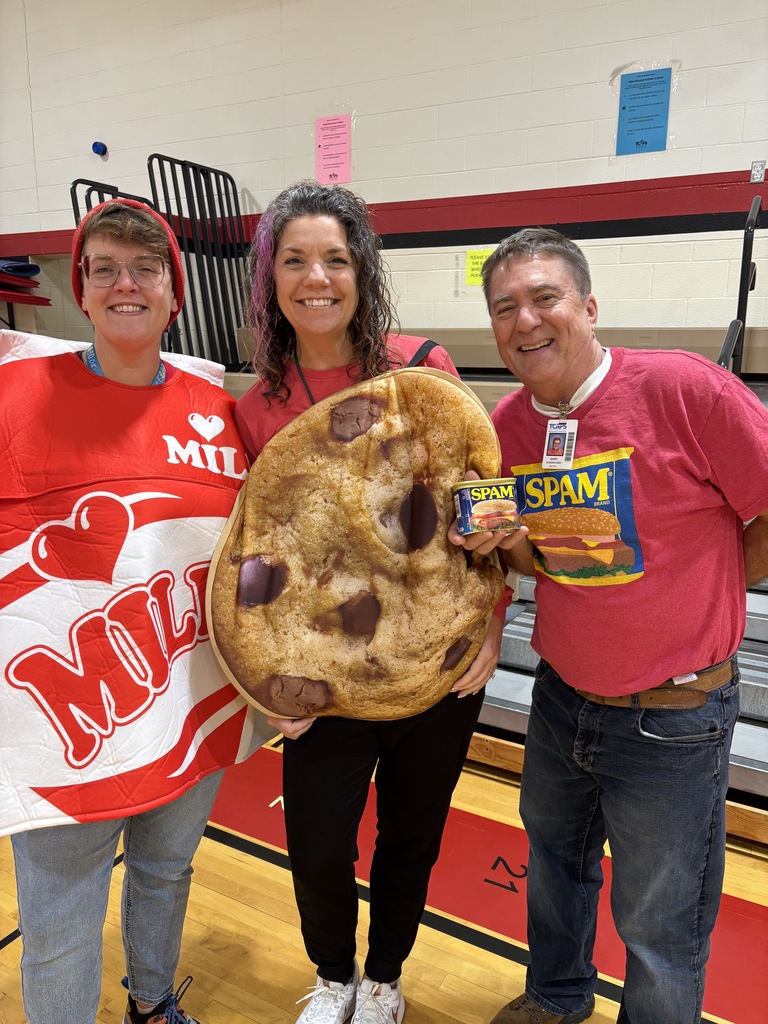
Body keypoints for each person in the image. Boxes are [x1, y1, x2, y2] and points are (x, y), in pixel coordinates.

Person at [235, 180, 525, 1024]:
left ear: (361, 270)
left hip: (435, 664)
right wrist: (263, 683)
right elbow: (252, 564)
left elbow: (482, 508)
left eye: (334, 257)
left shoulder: (422, 368)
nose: (315, 277)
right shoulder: (260, 408)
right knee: (318, 840)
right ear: (271, 278)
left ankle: (385, 980)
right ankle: (333, 977)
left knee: (411, 835)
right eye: (294, 260)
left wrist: (490, 628)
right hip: (324, 676)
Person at [466, 227, 768, 1024]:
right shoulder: (510, 424)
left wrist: (725, 579)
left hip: (673, 718)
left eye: (544, 298)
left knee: (658, 923)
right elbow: (539, 559)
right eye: (505, 308)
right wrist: (508, 545)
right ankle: (556, 999)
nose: (525, 321)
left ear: (589, 306)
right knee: (556, 873)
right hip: (564, 700)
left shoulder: (683, 390)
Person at [1, 198, 272, 1024]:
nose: (127, 284)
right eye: (106, 268)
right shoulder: (16, 392)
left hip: (187, 698)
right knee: (58, 928)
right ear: (80, 288)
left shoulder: (214, 408)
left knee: (166, 873)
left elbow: (253, 552)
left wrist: (278, 675)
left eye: (146, 269)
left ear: (173, 291)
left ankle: (153, 1005)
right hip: (65, 717)